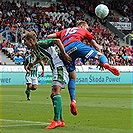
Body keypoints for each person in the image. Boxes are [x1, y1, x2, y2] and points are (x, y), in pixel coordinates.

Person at [47, 20, 120, 116]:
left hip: (64, 51)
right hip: (76, 45)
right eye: (86, 28)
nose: (87, 29)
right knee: (100, 55)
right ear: (82, 26)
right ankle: (106, 64)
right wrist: (100, 60)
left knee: (72, 77)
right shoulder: (83, 30)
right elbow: (95, 45)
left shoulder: (64, 31)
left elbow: (49, 36)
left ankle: (73, 100)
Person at [23, 31, 72, 130]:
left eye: (25, 41)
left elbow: (57, 40)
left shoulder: (41, 44)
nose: (24, 43)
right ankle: (60, 121)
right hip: (55, 68)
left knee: (55, 91)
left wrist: (64, 54)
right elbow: (41, 58)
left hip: (59, 67)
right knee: (53, 95)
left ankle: (56, 121)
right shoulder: (36, 50)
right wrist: (33, 63)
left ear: (31, 40)